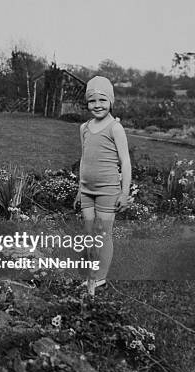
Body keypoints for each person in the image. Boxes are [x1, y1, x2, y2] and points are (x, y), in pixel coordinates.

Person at [73, 76, 131, 296]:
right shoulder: (84, 128)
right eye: (92, 101)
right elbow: (83, 158)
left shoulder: (115, 128)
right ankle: (90, 275)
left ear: (111, 102)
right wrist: (80, 189)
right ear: (87, 103)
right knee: (89, 233)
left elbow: (125, 162)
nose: (97, 105)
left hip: (108, 190)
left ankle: (101, 279)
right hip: (87, 190)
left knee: (103, 233)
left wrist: (124, 193)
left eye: (102, 101)